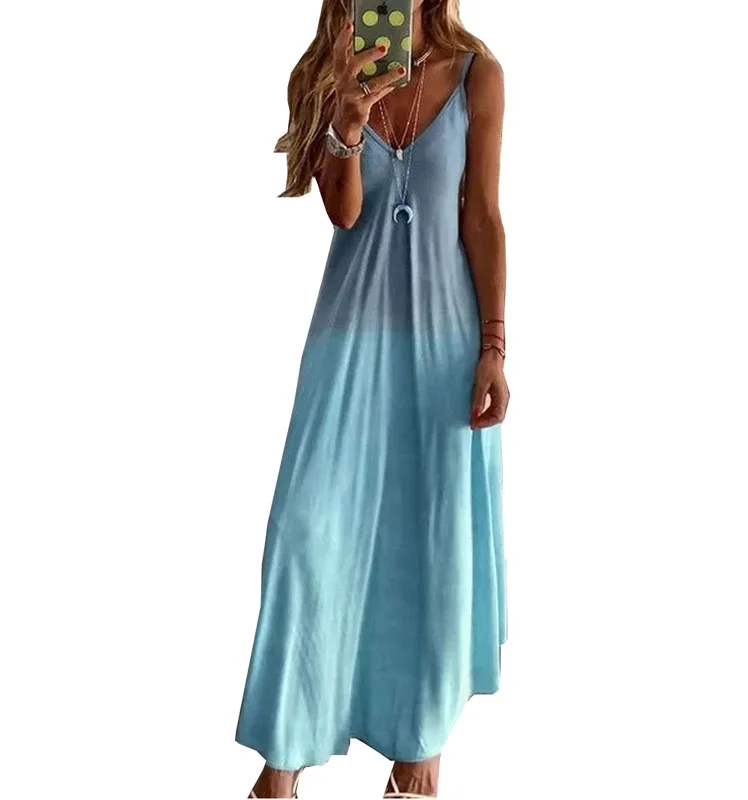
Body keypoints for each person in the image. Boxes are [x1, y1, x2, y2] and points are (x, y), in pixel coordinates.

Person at [236, 1, 509, 796]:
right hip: (348, 341)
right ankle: (281, 766)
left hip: (444, 344)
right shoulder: (334, 73)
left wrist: (494, 346)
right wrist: (347, 124)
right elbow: (346, 211)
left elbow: (482, 217)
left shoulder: (477, 75)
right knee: (305, 532)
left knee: (432, 539)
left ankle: (418, 754)